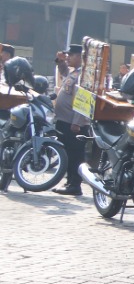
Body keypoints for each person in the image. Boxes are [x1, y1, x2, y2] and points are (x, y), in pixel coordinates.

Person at [52, 45, 88, 196]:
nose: (68, 57)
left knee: (74, 154)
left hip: (73, 124)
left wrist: (77, 122)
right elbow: (64, 72)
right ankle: (69, 181)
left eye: (71, 55)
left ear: (80, 57)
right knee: (67, 153)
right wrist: (60, 61)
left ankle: (75, 185)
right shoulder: (73, 72)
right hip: (65, 120)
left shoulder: (84, 76)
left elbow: (83, 100)